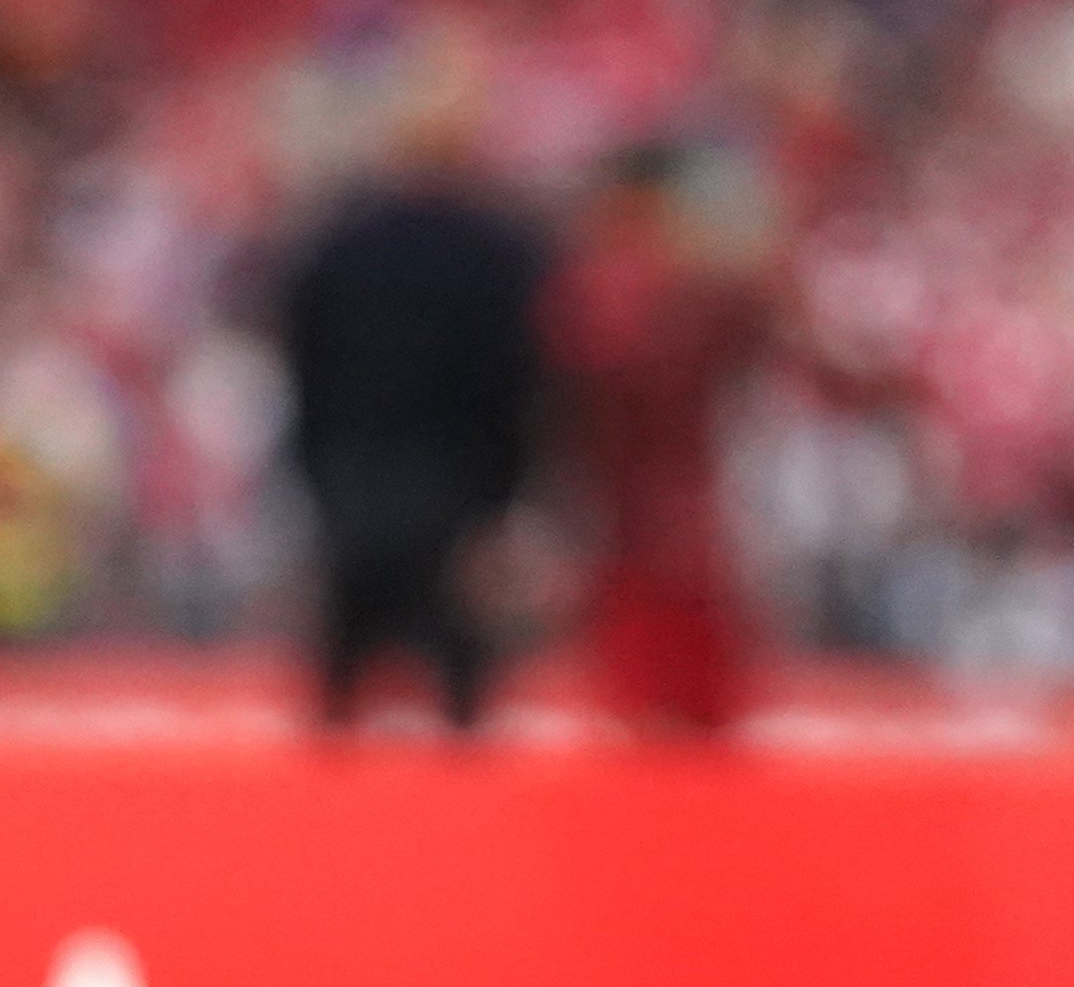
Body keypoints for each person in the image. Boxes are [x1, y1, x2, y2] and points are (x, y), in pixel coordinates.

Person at [274, 88, 550, 737]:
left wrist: (315, 478)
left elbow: (306, 374)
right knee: (461, 703)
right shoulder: (503, 254)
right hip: (460, 494)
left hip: (354, 490)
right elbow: (520, 385)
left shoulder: (335, 248)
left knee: (341, 698)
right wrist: (508, 492)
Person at [545, 143, 767, 735]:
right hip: (682, 502)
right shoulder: (699, 286)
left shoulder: (588, 291)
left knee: (636, 697)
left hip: (624, 504)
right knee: (692, 701)